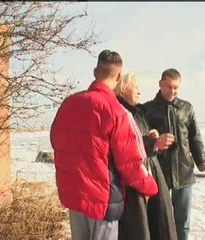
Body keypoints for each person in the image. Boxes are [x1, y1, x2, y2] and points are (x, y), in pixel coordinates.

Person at [50, 50, 158, 240]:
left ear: (94, 73)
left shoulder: (69, 104)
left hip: (75, 195)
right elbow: (131, 163)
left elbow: (56, 142)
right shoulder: (117, 112)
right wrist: (150, 187)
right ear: (118, 76)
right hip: (102, 201)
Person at [143, 68, 205, 240]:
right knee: (159, 221)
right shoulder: (147, 109)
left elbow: (195, 137)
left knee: (183, 224)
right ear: (160, 84)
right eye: (169, 87)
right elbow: (141, 139)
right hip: (159, 173)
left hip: (184, 172)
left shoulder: (186, 108)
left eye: (176, 88)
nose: (172, 91)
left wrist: (201, 160)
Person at [114, 73, 177, 240]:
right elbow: (124, 144)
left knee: (159, 220)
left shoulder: (138, 111)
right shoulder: (120, 111)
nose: (139, 90)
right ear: (123, 87)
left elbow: (138, 137)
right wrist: (152, 143)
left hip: (149, 170)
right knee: (139, 226)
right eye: (135, 86)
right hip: (133, 177)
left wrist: (152, 137)